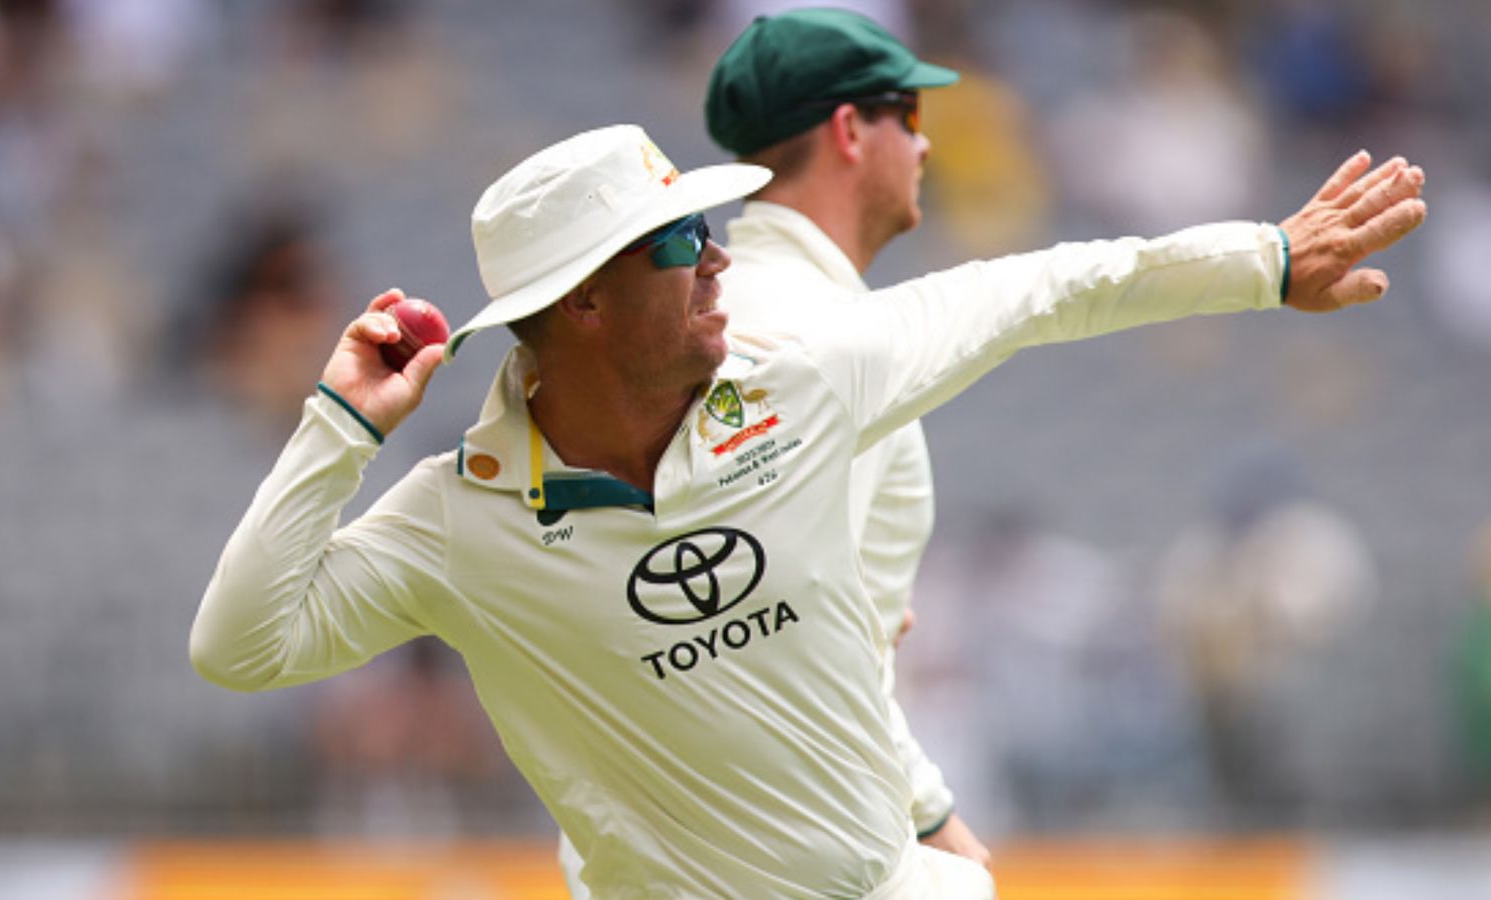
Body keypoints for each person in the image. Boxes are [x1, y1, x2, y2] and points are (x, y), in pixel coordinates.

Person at [190, 119, 1424, 897]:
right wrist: (339, 426)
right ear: (580, 305)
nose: (719, 258)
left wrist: (1263, 262)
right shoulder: (459, 518)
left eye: (715, 230)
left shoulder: (800, 380)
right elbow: (239, 649)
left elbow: (1040, 289)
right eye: (680, 246)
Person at [557, 14, 985, 896]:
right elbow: (788, 634)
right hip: (774, 847)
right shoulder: (813, 337)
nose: (926, 144)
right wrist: (936, 820)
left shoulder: (721, 317)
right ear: (848, 131)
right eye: (907, 113)